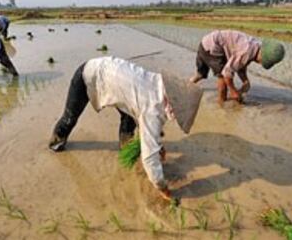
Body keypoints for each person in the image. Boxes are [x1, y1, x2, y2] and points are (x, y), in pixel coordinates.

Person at [49, 56, 203, 201]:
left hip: (110, 74)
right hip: (87, 75)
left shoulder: (158, 83)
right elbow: (149, 158)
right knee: (69, 118)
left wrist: (157, 144)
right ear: (174, 103)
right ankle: (56, 143)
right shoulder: (152, 109)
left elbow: (146, 119)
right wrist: (163, 189)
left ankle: (126, 146)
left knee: (129, 117)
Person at [189, 30, 285, 104]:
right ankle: (221, 104)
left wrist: (245, 81)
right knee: (222, 78)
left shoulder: (255, 46)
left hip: (205, 43)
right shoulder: (247, 52)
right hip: (213, 47)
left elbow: (241, 66)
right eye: (263, 61)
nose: (260, 63)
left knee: (200, 74)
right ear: (262, 56)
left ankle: (187, 85)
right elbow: (227, 72)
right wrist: (233, 91)